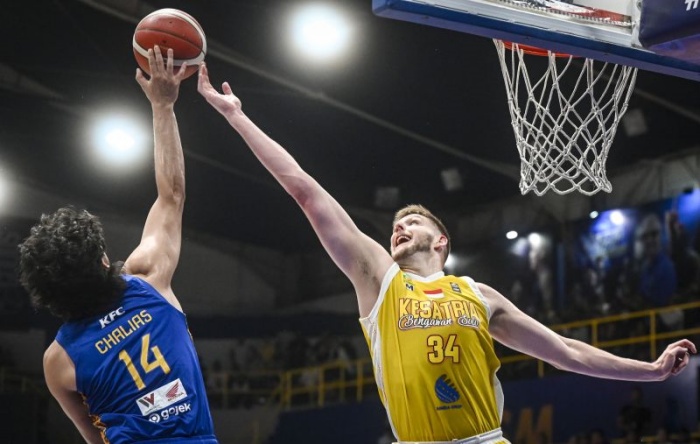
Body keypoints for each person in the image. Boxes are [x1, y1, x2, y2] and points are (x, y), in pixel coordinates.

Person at [196, 63, 696, 444]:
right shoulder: (379, 281)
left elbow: (567, 352)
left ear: (441, 241)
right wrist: (237, 118)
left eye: (412, 221)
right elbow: (306, 191)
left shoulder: (479, 295)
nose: (399, 226)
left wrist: (650, 370)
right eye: (396, 223)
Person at [18, 47, 217, 443]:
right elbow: (172, 195)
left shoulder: (58, 361)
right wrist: (163, 106)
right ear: (104, 261)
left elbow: (94, 437)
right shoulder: (148, 277)